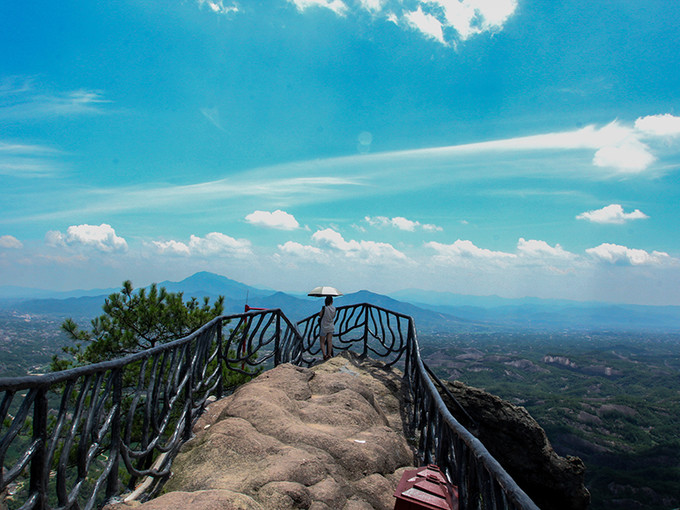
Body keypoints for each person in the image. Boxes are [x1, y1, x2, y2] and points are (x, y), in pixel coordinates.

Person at [319, 295, 336, 360]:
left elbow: (320, 315)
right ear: (332, 301)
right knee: (329, 341)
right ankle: (329, 354)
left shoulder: (324, 308)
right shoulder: (334, 309)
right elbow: (333, 316)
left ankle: (324, 355)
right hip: (331, 326)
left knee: (322, 342)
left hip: (324, 327)